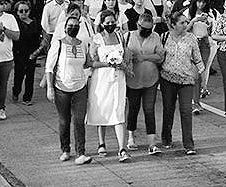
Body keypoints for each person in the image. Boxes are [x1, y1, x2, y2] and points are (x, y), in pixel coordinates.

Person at [45, 17, 93, 165]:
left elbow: (88, 63)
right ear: (65, 27)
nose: (73, 28)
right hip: (62, 88)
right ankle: (65, 149)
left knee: (79, 120)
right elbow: (49, 67)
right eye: (70, 25)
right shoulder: (58, 44)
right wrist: (50, 88)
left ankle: (81, 153)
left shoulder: (82, 44)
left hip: (80, 87)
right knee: (64, 120)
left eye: (76, 25)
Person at [86, 10, 132, 162]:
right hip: (102, 78)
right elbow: (91, 62)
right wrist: (108, 63)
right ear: (102, 23)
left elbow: (126, 54)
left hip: (118, 78)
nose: (111, 24)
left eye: (113, 22)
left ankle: (122, 148)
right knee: (102, 108)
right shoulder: (97, 39)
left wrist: (123, 64)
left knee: (119, 110)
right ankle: (101, 142)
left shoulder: (120, 36)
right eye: (108, 22)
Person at [159, 12, 204, 155]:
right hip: (167, 79)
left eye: (186, 22)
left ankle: (189, 145)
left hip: (186, 80)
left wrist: (202, 78)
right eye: (182, 23)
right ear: (173, 24)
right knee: (168, 110)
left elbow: (198, 59)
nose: (185, 25)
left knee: (186, 111)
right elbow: (159, 57)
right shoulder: (164, 37)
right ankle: (166, 138)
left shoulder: (191, 38)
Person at [125, 12, 164, 155]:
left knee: (149, 110)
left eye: (150, 29)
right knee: (133, 108)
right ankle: (131, 137)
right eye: (144, 28)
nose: (147, 31)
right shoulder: (128, 36)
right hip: (133, 80)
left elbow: (160, 56)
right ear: (138, 25)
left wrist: (144, 57)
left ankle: (152, 143)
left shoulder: (155, 37)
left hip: (150, 79)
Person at [186, 0, 215, 113]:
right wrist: (194, 20)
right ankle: (194, 102)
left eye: (203, 2)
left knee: (202, 71)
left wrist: (208, 23)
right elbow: (184, 30)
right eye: (199, 2)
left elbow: (212, 30)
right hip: (193, 43)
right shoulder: (188, 12)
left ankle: (197, 100)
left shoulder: (210, 13)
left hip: (204, 43)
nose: (201, 4)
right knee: (195, 73)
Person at [12, 0, 41, 105]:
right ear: (17, 12)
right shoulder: (15, 23)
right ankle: (16, 91)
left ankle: (27, 98)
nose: (24, 13)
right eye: (21, 11)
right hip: (19, 52)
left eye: (26, 10)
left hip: (32, 53)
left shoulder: (34, 22)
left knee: (30, 76)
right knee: (19, 75)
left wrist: (37, 51)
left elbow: (38, 38)